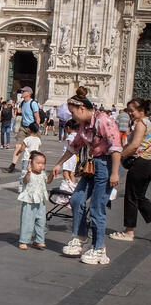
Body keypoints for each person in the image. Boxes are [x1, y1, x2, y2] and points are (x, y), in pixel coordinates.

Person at [50, 86, 122, 266]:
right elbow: (74, 146)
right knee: (76, 200)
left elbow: (116, 147)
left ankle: (99, 249)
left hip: (105, 165)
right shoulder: (84, 125)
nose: (72, 117)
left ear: (82, 108)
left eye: (73, 113)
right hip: (93, 166)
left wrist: (114, 173)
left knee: (97, 209)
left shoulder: (103, 121)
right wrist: (59, 164)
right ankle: (81, 236)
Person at [109, 98, 151, 242]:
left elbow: (134, 145)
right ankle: (129, 229)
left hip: (140, 164)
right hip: (148, 163)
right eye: (128, 110)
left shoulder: (141, 123)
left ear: (141, 111)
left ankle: (128, 231)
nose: (129, 113)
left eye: (131, 110)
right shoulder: (150, 122)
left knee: (132, 197)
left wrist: (119, 156)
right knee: (139, 197)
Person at [18, 150, 53, 250]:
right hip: (29, 202)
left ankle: (39, 240)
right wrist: (28, 172)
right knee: (27, 221)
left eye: (43, 163)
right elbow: (25, 181)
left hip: (40, 202)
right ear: (30, 162)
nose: (41, 166)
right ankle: (24, 241)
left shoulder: (42, 174)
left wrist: (52, 174)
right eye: (38, 163)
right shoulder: (27, 173)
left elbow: (48, 181)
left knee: (41, 221)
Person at [5, 86, 40, 173]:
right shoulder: (23, 103)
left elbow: (37, 118)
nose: (22, 93)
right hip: (23, 127)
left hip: (32, 128)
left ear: (28, 93)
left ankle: (38, 165)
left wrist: (35, 130)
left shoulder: (33, 103)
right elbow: (20, 112)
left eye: (23, 91)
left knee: (35, 149)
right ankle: (12, 165)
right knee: (18, 146)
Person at [18, 122, 41, 191]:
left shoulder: (27, 139)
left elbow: (22, 148)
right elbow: (39, 149)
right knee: (33, 173)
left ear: (29, 130)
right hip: (35, 160)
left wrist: (18, 152)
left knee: (24, 172)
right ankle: (31, 187)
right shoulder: (38, 139)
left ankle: (21, 187)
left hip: (27, 158)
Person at [61, 119, 79, 184]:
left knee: (65, 172)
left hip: (68, 157)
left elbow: (71, 144)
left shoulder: (71, 135)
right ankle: (73, 187)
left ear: (68, 128)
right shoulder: (77, 135)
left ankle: (68, 186)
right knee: (72, 174)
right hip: (74, 157)